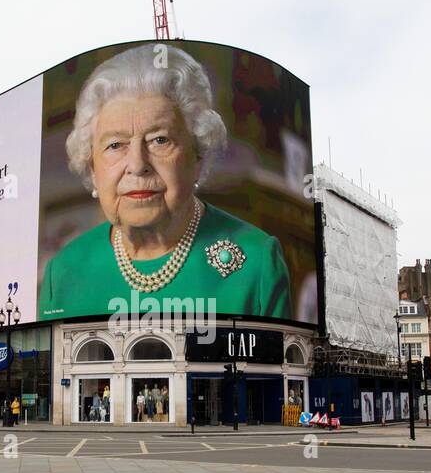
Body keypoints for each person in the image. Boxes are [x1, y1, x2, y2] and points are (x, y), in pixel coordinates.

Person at [39, 44, 291, 320]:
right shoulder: (63, 272)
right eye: (115, 145)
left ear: (197, 155)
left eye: (160, 140)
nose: (137, 165)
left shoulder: (257, 262)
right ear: (92, 166)